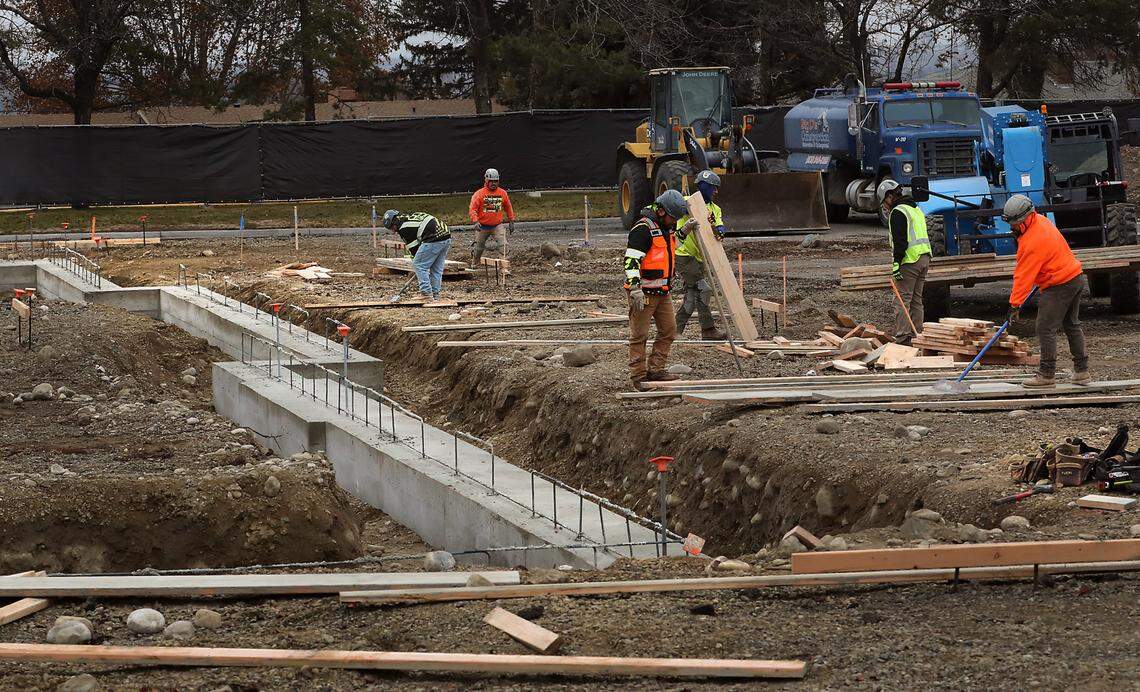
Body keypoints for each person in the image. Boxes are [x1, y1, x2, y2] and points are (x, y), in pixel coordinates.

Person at [1004, 194, 1089, 387]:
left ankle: (1046, 375)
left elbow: (1023, 276)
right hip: (1075, 277)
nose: (1012, 228)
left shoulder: (1032, 241)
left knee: (1045, 328)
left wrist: (1014, 304)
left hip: (1060, 284)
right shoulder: (1041, 220)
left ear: (1025, 219)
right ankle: (1082, 372)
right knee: (1072, 324)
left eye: (1015, 224)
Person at [625, 189, 688, 388]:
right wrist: (635, 288)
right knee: (639, 335)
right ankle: (638, 377)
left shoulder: (666, 227)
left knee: (669, 330)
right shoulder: (642, 229)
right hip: (643, 294)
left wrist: (683, 233)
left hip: (662, 292)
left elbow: (669, 248)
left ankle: (656, 370)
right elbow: (631, 261)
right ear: (661, 211)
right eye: (673, 217)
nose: (674, 221)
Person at [673, 169, 727, 340]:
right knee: (704, 289)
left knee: (691, 295)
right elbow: (675, 212)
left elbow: (719, 226)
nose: (716, 191)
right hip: (684, 255)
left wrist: (719, 230)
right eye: (713, 188)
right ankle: (708, 329)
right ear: (704, 187)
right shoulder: (687, 203)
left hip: (699, 257)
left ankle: (675, 331)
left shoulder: (715, 209)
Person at [881, 179, 931, 345]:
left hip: (909, 261)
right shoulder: (915, 208)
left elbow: (900, 241)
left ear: (889, 197)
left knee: (901, 300)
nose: (884, 206)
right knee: (916, 300)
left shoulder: (898, 212)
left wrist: (896, 263)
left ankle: (903, 337)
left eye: (884, 201)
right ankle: (919, 335)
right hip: (924, 258)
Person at [381, 209, 452, 305]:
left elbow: (414, 250)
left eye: (391, 228)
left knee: (419, 265)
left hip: (433, 237)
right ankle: (435, 295)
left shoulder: (403, 228)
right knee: (436, 269)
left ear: (394, 223)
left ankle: (426, 294)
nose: (393, 231)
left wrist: (417, 268)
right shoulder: (409, 218)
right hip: (446, 235)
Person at [469, 168, 515, 264]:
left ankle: (504, 266)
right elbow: (473, 209)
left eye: (496, 181)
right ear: (486, 180)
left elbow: (508, 207)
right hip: (482, 226)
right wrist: (475, 221)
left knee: (503, 246)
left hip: (497, 225)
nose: (494, 184)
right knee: (479, 247)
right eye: (491, 181)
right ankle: (475, 264)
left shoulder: (502, 193)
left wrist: (511, 220)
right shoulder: (479, 194)